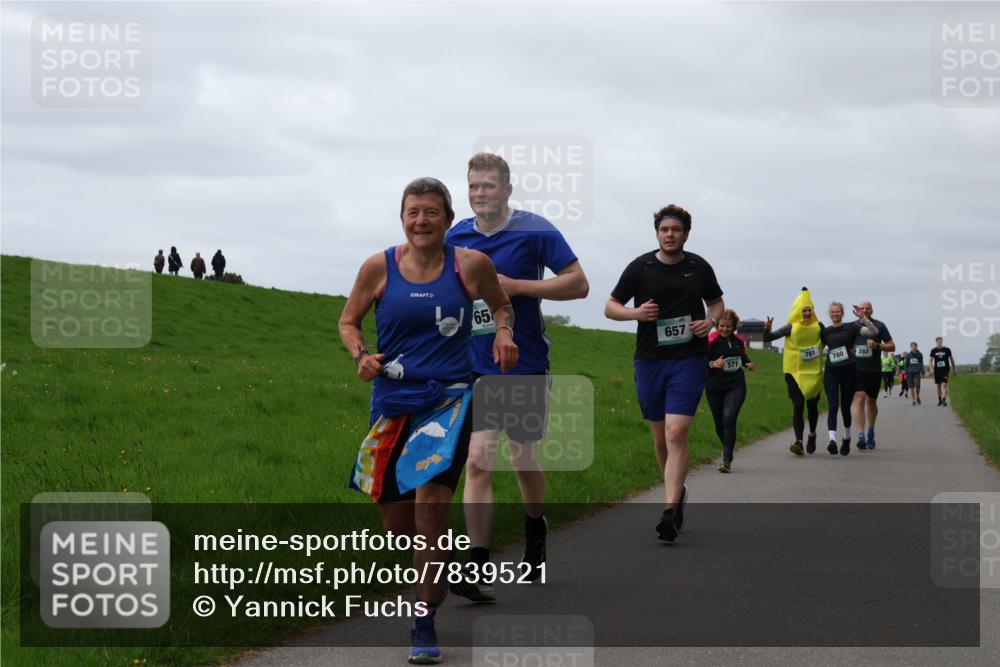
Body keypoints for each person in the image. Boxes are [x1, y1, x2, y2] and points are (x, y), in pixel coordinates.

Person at [337, 177, 518, 664]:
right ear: (402, 217)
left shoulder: (470, 265)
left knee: (430, 515)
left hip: (450, 405)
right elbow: (348, 320)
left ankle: (424, 620)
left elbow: (502, 307)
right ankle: (443, 566)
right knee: (400, 528)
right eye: (413, 212)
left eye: (431, 212)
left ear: (447, 217)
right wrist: (359, 355)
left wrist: (503, 334)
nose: (422, 220)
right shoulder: (378, 267)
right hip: (393, 406)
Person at [445, 153, 589, 601]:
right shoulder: (457, 236)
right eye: (472, 186)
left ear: (507, 190)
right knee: (478, 459)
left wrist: (518, 285)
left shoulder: (536, 230)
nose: (479, 193)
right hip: (474, 364)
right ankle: (478, 563)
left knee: (523, 457)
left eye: (487, 186)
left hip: (521, 361)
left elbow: (578, 284)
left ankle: (535, 525)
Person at [605, 204, 724, 542]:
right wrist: (635, 313)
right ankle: (678, 492)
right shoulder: (640, 267)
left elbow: (717, 303)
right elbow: (610, 307)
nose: (670, 235)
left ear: (686, 233)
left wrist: (711, 321)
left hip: (688, 359)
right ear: (657, 233)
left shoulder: (699, 267)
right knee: (660, 439)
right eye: (664, 230)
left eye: (676, 230)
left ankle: (669, 509)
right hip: (649, 360)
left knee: (676, 432)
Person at [764, 288, 825, 456]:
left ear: (813, 311)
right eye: (803, 310)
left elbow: (830, 340)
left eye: (809, 310)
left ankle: (812, 434)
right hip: (793, 371)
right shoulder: (791, 327)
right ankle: (799, 441)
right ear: (798, 312)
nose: (806, 313)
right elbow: (768, 339)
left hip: (813, 373)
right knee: (798, 405)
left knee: (812, 407)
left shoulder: (819, 326)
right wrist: (767, 329)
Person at [820, 301, 878, 455]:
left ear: (842, 313)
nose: (835, 314)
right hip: (831, 372)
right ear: (829, 313)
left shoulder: (851, 328)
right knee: (832, 406)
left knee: (845, 408)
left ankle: (846, 438)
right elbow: (816, 346)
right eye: (832, 312)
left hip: (849, 372)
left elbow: (873, 331)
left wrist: (863, 318)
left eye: (838, 311)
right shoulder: (825, 332)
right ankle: (832, 440)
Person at [705, 309, 754, 472]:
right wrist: (713, 364)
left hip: (736, 384)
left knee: (729, 418)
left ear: (733, 327)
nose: (724, 329)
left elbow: (743, 358)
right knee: (719, 424)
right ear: (717, 325)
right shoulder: (710, 341)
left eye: (728, 326)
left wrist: (748, 364)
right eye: (722, 326)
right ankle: (727, 447)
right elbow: (701, 361)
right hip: (714, 387)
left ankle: (727, 459)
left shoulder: (739, 341)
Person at [851, 301, 895, 450]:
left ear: (872, 311)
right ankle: (861, 435)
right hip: (857, 369)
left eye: (867, 308)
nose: (864, 310)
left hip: (874, 370)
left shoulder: (880, 326)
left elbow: (892, 346)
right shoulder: (853, 326)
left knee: (871, 402)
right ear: (857, 310)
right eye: (861, 308)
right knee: (859, 399)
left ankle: (871, 430)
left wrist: (877, 346)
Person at [929, 337, 957, 406]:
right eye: (938, 342)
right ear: (936, 342)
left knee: (944, 384)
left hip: (945, 370)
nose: (940, 343)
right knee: (938, 385)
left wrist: (954, 369)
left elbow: (951, 359)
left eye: (941, 341)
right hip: (937, 370)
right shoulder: (933, 350)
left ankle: (944, 400)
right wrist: (931, 368)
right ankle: (939, 400)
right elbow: (930, 360)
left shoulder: (947, 350)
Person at [904, 342, 925, 406]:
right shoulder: (908, 355)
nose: (913, 347)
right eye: (912, 346)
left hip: (917, 372)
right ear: (911, 347)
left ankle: (917, 396)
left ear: (916, 347)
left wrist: (923, 372)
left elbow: (921, 363)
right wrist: (905, 373)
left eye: (914, 346)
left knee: (917, 386)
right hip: (909, 372)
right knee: (911, 387)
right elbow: (906, 365)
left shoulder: (920, 354)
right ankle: (913, 400)